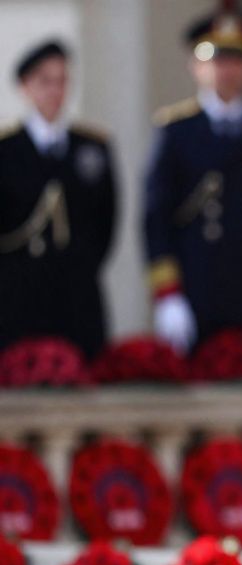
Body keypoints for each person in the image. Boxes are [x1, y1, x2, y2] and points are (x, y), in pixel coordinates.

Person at [144, 6, 242, 356]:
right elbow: (156, 218)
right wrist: (167, 295)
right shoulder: (177, 132)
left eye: (237, 60)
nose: (227, 70)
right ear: (196, 65)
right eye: (216, 59)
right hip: (197, 289)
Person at [0, 40, 116, 360]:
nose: (55, 91)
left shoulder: (92, 148)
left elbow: (105, 225)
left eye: (62, 81)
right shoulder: (6, 151)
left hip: (76, 299)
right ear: (26, 87)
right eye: (45, 82)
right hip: (17, 299)